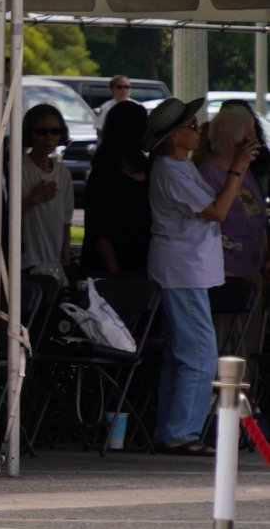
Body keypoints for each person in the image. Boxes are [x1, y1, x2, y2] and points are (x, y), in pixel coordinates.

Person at [145, 97, 259, 455]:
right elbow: (216, 210)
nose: (198, 132)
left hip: (189, 268)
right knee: (199, 353)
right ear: (174, 136)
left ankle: (172, 428)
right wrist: (237, 168)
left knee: (182, 354)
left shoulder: (181, 166)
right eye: (191, 127)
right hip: (183, 270)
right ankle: (182, 432)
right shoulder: (170, 169)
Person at [200, 103, 269, 354]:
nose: (256, 141)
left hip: (251, 274)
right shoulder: (210, 173)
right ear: (234, 139)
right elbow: (211, 218)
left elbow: (258, 221)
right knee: (225, 347)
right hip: (225, 279)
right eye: (250, 135)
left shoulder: (247, 173)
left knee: (247, 350)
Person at [82, 101, 151, 277]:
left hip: (141, 261)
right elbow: (99, 230)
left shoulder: (148, 167)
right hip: (108, 266)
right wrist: (115, 275)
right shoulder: (104, 172)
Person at [19, 104, 74, 279]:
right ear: (30, 133)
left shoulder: (62, 172)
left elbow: (66, 222)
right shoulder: (17, 168)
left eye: (55, 131)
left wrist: (65, 264)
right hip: (25, 263)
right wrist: (33, 200)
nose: (49, 137)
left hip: (55, 265)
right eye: (42, 131)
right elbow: (4, 215)